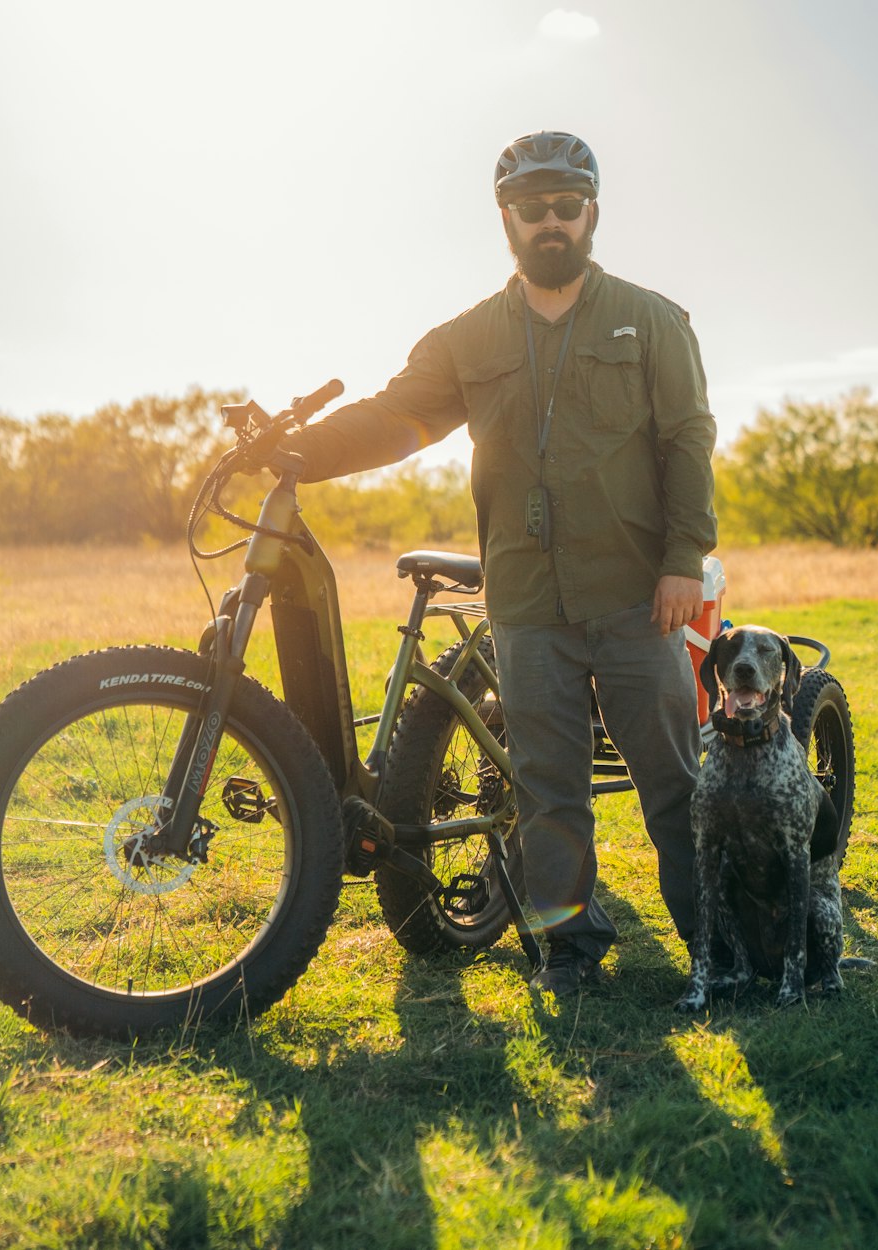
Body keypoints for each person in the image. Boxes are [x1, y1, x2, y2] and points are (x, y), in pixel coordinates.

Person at [263, 131, 717, 996]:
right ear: (505, 218)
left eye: (566, 206)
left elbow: (689, 440)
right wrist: (297, 453)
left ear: (592, 212)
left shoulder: (653, 320)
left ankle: (713, 947)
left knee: (671, 783)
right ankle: (572, 953)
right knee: (548, 790)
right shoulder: (466, 338)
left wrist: (684, 558)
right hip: (525, 600)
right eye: (531, 208)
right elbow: (394, 417)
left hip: (634, 592)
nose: (551, 221)